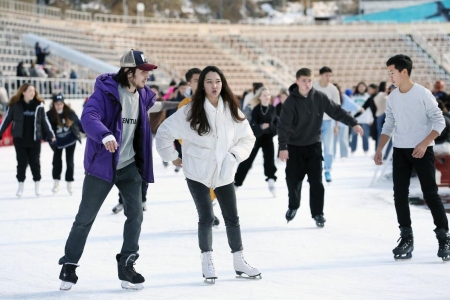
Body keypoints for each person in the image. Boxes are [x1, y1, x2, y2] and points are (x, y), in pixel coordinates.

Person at [58, 49, 158, 291]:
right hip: (102, 166)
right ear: (128, 72)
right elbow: (89, 116)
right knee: (85, 218)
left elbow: (157, 104)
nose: (147, 76)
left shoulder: (143, 95)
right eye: (142, 71)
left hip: (129, 167)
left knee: (136, 215)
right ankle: (69, 264)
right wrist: (104, 134)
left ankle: (127, 264)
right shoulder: (104, 93)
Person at [156, 66, 261, 283]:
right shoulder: (190, 111)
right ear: (202, 85)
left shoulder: (232, 110)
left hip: (224, 173)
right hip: (197, 173)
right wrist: (173, 157)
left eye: (218, 81)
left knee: (232, 218)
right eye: (209, 82)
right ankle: (207, 262)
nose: (214, 86)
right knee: (206, 217)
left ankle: (239, 261)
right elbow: (164, 133)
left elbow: (248, 138)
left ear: (223, 84)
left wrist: (233, 156)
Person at [374, 54, 450, 261]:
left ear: (404, 71)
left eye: (392, 72)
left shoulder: (423, 94)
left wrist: (425, 143)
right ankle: (406, 237)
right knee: (399, 195)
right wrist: (380, 148)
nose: (390, 76)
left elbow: (439, 122)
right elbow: (388, 124)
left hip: (422, 150)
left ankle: (444, 238)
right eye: (388, 72)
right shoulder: (394, 97)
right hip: (400, 150)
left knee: (430, 194)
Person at [278, 68, 363, 227]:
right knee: (293, 182)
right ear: (297, 81)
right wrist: (283, 146)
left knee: (316, 182)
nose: (307, 84)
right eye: (303, 80)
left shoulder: (320, 97)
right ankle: (293, 205)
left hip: (313, 146)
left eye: (309, 80)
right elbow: (283, 125)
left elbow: (337, 111)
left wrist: (354, 123)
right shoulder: (291, 101)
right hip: (294, 147)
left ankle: (318, 213)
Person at [111, 86, 179, 214]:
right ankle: (122, 202)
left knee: (141, 175)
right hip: (125, 147)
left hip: (142, 147)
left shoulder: (145, 105)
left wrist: (181, 103)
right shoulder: (125, 103)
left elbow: (163, 105)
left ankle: (142, 200)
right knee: (122, 176)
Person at [176, 67, 222, 228]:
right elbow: (180, 132)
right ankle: (207, 215)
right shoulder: (184, 105)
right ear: (189, 83)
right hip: (194, 154)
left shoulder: (213, 100)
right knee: (201, 187)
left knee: (215, 185)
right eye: (196, 80)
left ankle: (208, 211)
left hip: (214, 153)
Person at [0, 83, 55, 198]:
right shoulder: (15, 106)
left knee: (35, 163)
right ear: (23, 92)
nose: (33, 93)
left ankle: (37, 184)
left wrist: (50, 134)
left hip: (34, 140)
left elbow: (45, 122)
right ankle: (20, 185)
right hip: (20, 140)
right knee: (21, 163)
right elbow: (7, 120)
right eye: (30, 91)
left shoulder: (38, 106)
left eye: (34, 91)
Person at [234, 87, 278, 196]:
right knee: (247, 161)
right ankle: (236, 183)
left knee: (269, 160)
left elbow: (277, 126)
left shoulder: (273, 109)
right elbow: (252, 126)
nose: (267, 97)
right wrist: (261, 127)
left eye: (268, 95)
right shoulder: (256, 109)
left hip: (268, 138)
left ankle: (271, 181)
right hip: (256, 138)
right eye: (264, 95)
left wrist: (270, 127)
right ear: (259, 97)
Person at [46, 93, 84, 195]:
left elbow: (79, 123)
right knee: (57, 162)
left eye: (61, 103)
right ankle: (56, 181)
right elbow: (45, 129)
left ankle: (69, 182)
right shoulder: (49, 115)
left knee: (70, 162)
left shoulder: (69, 112)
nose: (59, 105)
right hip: (58, 142)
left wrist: (88, 131)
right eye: (57, 103)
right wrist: (49, 139)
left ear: (63, 103)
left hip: (70, 140)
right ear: (53, 104)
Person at [312, 66, 340, 183]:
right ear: (321, 75)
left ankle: (327, 170)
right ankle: (314, 172)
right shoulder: (314, 87)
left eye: (330, 75)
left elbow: (337, 109)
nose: (328, 78)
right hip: (314, 122)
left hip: (328, 122)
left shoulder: (333, 89)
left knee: (328, 149)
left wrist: (336, 125)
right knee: (314, 148)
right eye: (326, 75)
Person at [333, 83, 362, 158]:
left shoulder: (343, 97)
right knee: (333, 141)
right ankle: (332, 155)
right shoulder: (328, 97)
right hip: (332, 124)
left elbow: (352, 104)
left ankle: (344, 155)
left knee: (343, 140)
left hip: (343, 123)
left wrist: (359, 108)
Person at [350, 82, 372, 155]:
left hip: (365, 120)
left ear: (365, 88)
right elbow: (351, 109)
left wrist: (371, 119)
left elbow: (370, 109)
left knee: (365, 135)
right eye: (360, 87)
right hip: (355, 120)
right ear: (357, 88)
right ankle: (353, 150)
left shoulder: (368, 97)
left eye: (363, 87)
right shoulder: (353, 97)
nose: (361, 88)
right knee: (354, 135)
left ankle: (366, 150)